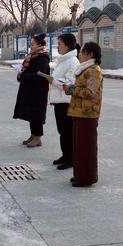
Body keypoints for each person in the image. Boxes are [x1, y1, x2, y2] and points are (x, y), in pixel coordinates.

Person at [64, 42, 104, 187]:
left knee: (86, 147)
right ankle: (79, 174)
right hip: (79, 113)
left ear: (91, 54)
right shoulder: (84, 69)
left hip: (88, 115)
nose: (80, 55)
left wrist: (72, 90)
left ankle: (86, 178)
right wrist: (69, 88)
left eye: (82, 52)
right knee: (79, 146)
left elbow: (90, 92)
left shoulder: (94, 70)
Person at [13, 33, 50, 148]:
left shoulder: (42, 57)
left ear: (39, 44)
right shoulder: (32, 56)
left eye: (33, 44)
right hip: (30, 89)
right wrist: (20, 74)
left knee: (36, 113)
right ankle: (33, 135)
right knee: (31, 113)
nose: (31, 46)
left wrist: (23, 75)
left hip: (38, 91)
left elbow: (39, 75)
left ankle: (38, 137)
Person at [49, 34, 80, 170]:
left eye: (60, 44)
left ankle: (71, 158)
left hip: (67, 101)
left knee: (67, 131)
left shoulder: (73, 62)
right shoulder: (62, 60)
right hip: (59, 100)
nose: (58, 46)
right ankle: (65, 155)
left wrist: (53, 81)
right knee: (62, 130)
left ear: (67, 45)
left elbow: (71, 84)